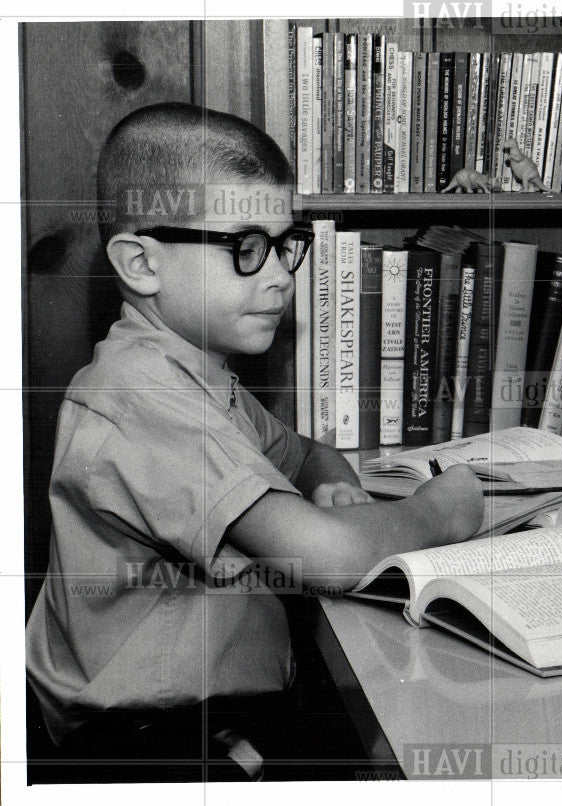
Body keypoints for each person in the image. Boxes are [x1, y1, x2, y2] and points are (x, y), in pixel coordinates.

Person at [24, 102, 484, 782]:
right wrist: (446, 508)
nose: (280, 276)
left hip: (223, 711)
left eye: (283, 244)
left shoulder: (201, 375)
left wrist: (330, 480)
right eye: (245, 248)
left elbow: (302, 452)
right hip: (146, 748)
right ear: (141, 263)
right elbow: (329, 556)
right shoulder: (142, 395)